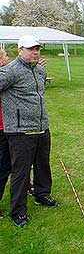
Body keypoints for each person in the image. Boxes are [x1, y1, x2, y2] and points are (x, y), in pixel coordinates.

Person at [0, 35, 59, 227]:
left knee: (43, 167)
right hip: (19, 133)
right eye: (30, 49)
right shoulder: (9, 71)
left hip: (42, 128)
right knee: (21, 173)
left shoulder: (40, 72)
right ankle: (18, 211)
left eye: (37, 48)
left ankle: (42, 195)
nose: (35, 51)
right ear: (20, 51)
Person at [0, 49, 11, 219]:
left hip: (7, 127)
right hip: (2, 129)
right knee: (3, 167)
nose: (9, 58)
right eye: (6, 56)